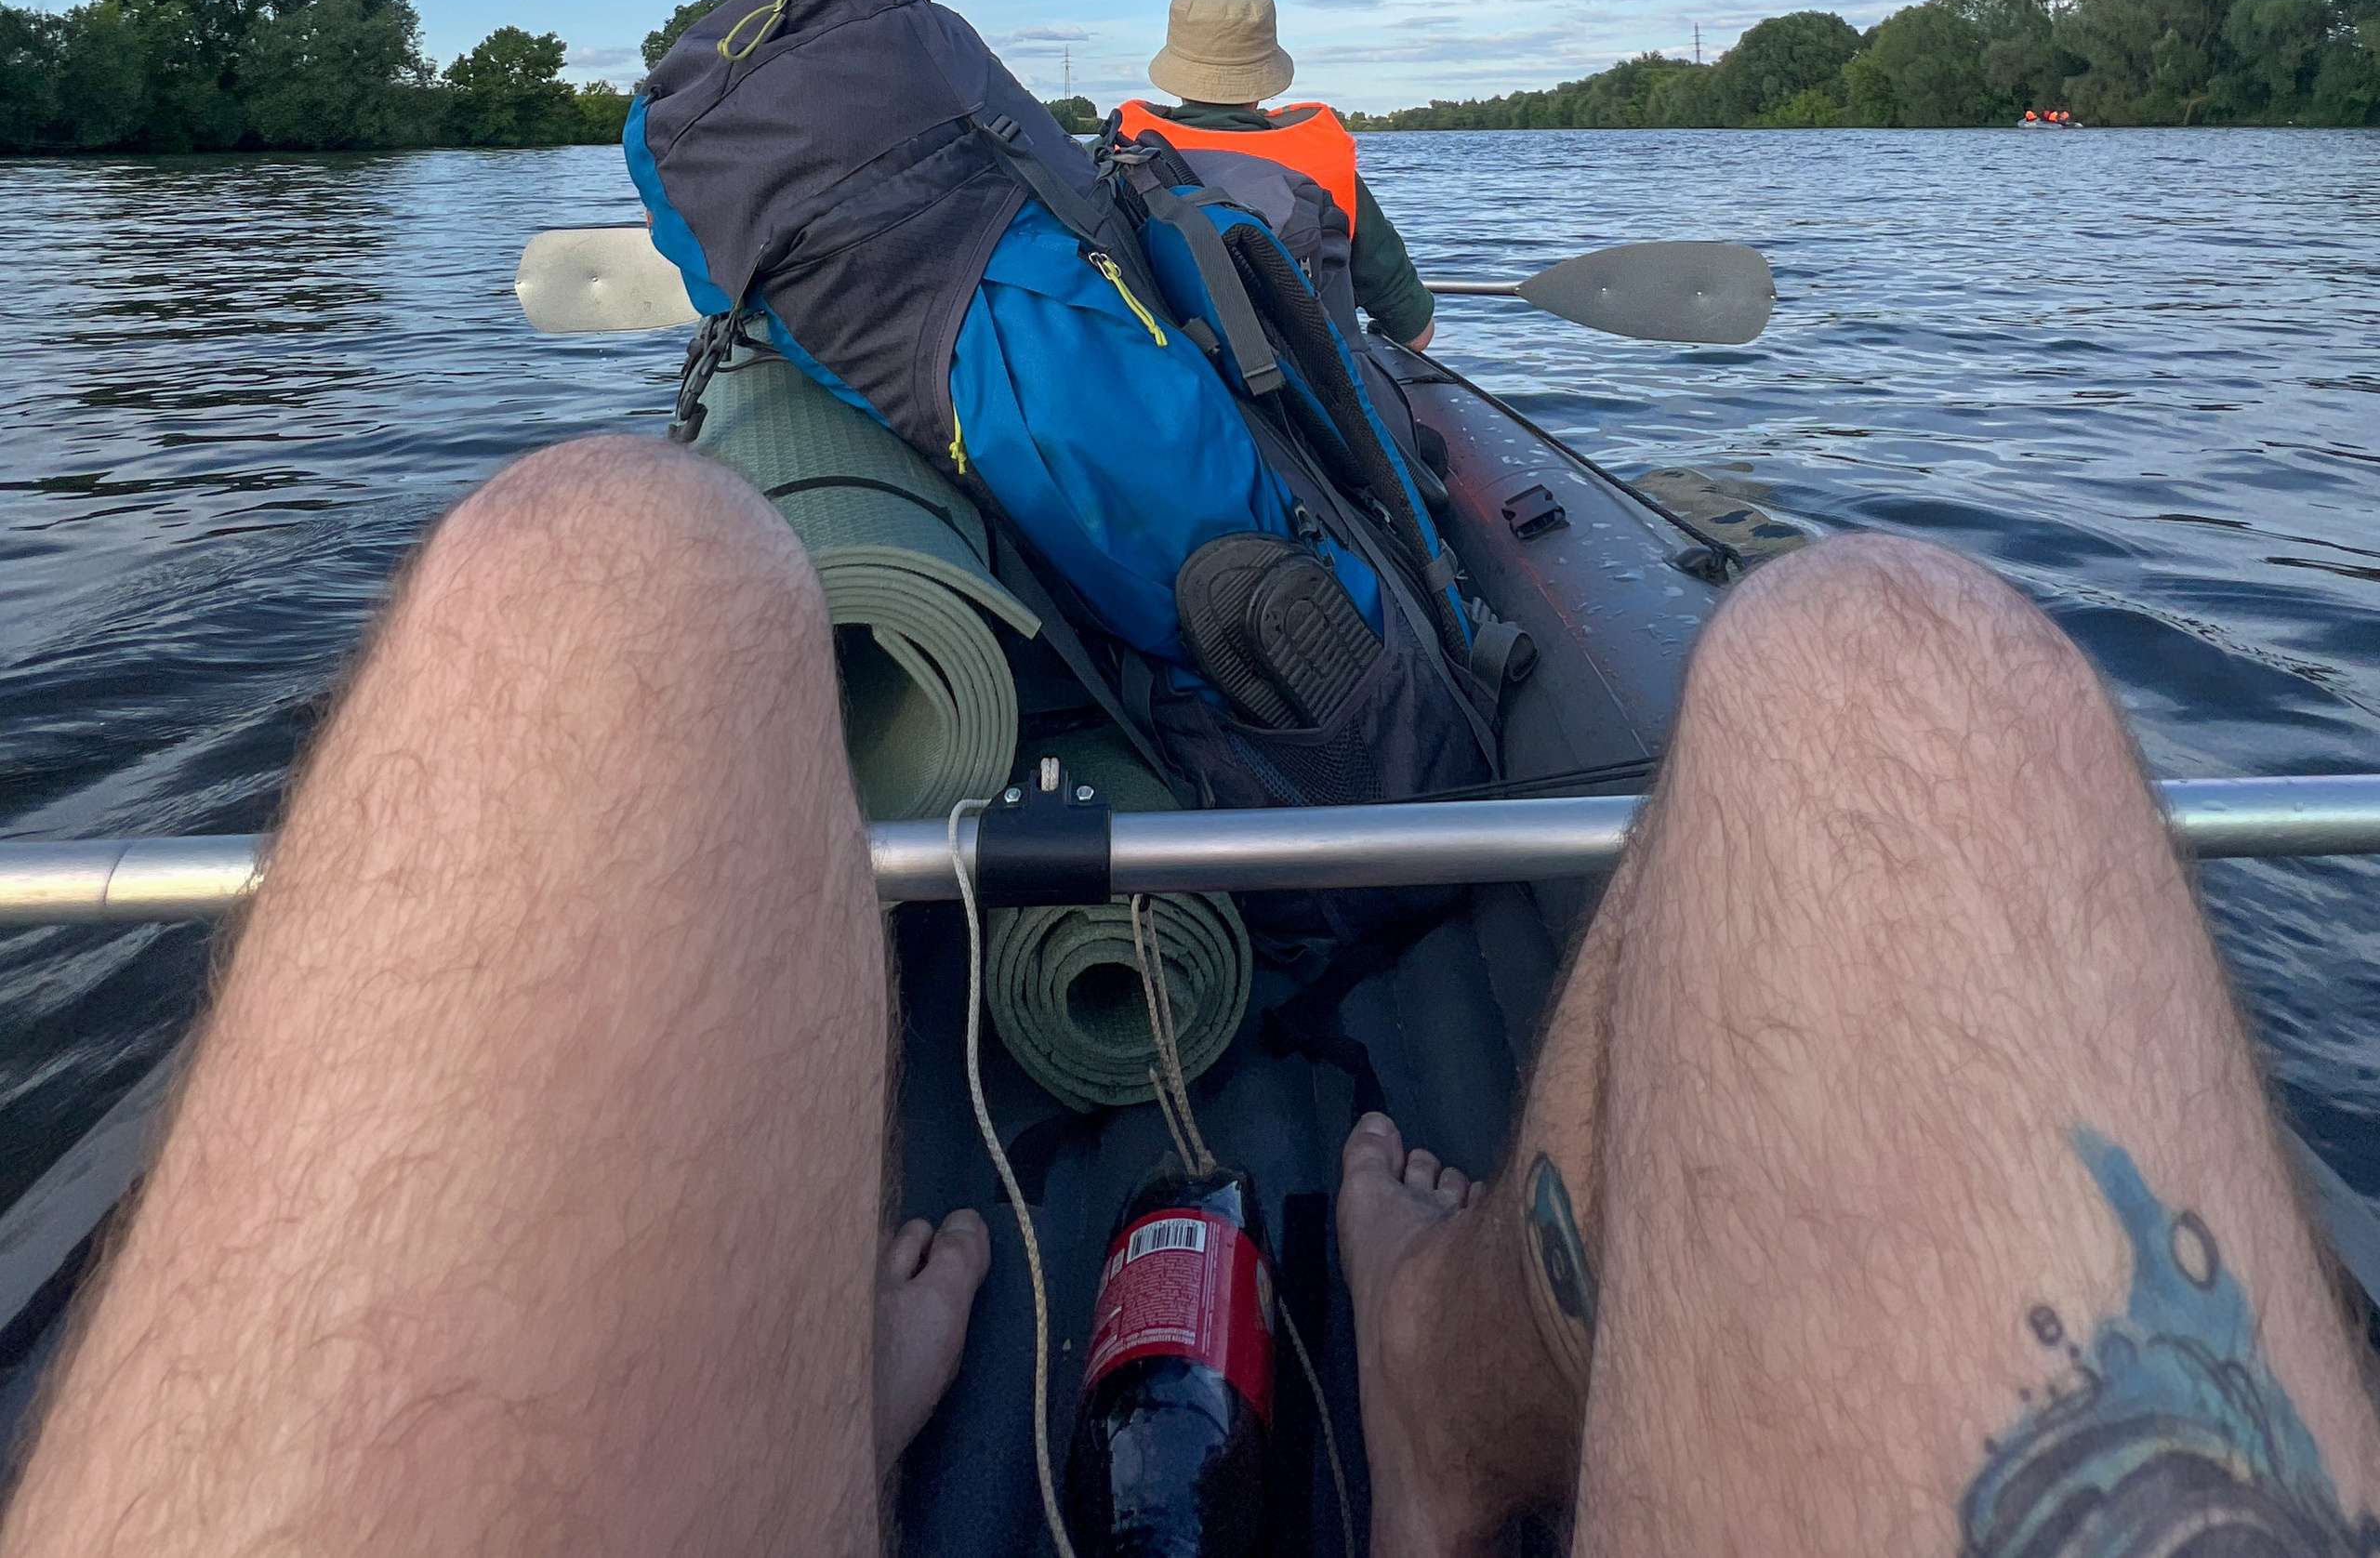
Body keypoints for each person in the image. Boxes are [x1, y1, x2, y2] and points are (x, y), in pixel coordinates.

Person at [6, 440, 2375, 1555]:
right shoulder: (1293, 196)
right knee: (1904, 664)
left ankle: (764, 1376)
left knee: (582, 573)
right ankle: (1449, 1389)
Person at [1120, 0, 1437, 348]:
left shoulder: (1114, 156)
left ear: (1176, 70)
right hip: (1307, 396)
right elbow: (1416, 335)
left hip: (1158, 382)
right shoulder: (1324, 166)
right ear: (1264, 76)